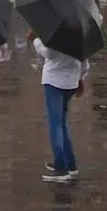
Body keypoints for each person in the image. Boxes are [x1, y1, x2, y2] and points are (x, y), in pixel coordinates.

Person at [34, 33, 84, 182]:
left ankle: (61, 167)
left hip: (55, 80)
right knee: (62, 122)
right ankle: (70, 163)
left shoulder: (56, 30)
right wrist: (81, 76)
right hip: (72, 80)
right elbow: (84, 59)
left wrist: (35, 40)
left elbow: (49, 53)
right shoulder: (80, 30)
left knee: (55, 124)